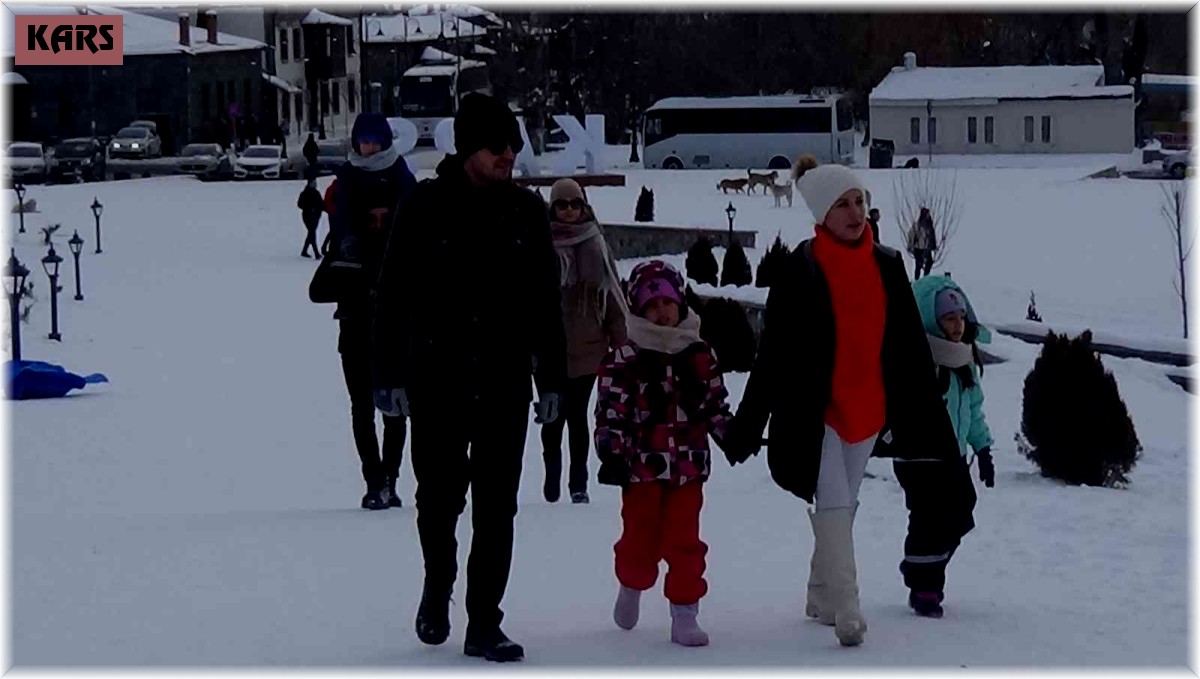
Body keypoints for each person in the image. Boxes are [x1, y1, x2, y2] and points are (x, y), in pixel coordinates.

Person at [725, 164, 962, 647]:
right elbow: (773, 353)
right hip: (817, 411)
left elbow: (908, 348)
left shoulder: (888, 263)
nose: (856, 213)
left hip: (870, 408)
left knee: (843, 503)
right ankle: (848, 605)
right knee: (833, 499)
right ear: (821, 213)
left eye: (859, 201)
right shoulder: (801, 267)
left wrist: (929, 415)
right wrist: (748, 424)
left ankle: (819, 593)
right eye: (842, 204)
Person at [371, 92, 566, 663]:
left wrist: (551, 378)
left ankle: (484, 621)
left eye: (514, 144)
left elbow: (543, 303)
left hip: (504, 381)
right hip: (438, 378)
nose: (509, 153)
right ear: (467, 149)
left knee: (497, 507)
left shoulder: (526, 212)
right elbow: (394, 295)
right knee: (438, 501)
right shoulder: (424, 207)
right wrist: (388, 375)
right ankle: (438, 587)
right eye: (496, 145)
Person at [594, 260, 734, 648]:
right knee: (640, 537)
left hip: (688, 468)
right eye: (651, 305)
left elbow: (715, 404)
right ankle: (632, 583)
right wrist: (611, 447)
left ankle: (685, 610)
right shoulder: (626, 357)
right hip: (641, 468)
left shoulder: (700, 353)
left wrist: (732, 434)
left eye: (667, 302)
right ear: (638, 310)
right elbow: (610, 409)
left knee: (684, 538)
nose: (661, 311)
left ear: (680, 302)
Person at [329, 112, 416, 510]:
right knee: (362, 404)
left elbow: (416, 218)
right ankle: (373, 476)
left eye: (373, 140)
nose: (367, 148)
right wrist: (347, 243)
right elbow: (341, 215)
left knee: (395, 402)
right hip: (355, 314)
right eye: (362, 141)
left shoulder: (399, 173)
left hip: (396, 314)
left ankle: (392, 476)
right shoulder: (348, 176)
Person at [894, 275, 991, 618]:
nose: (957, 325)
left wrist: (983, 448)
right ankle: (926, 588)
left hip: (953, 455)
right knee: (929, 518)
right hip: (920, 454)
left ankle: (919, 569)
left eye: (960, 318)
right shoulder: (920, 358)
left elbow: (974, 408)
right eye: (949, 318)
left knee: (962, 511)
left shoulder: (964, 361)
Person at [542, 178, 627, 505]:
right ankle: (552, 473)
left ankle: (578, 480)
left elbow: (613, 297)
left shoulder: (596, 243)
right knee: (552, 417)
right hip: (551, 349)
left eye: (574, 204)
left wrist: (621, 342)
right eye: (561, 205)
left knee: (577, 416)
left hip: (589, 346)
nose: (568, 211)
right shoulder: (542, 243)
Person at [297, 177, 325, 259]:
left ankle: (304, 251)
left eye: (316, 183)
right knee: (312, 232)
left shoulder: (317, 193)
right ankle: (316, 253)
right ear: (309, 184)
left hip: (316, 215)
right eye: (314, 183)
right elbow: (300, 204)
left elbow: (321, 203)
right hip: (307, 215)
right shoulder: (304, 193)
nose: (315, 184)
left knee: (311, 233)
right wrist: (309, 208)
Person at [909, 207, 937, 279]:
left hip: (927, 248)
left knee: (929, 262)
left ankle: (925, 278)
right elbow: (911, 235)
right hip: (918, 247)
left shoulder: (929, 226)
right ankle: (917, 280)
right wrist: (911, 245)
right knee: (918, 265)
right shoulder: (917, 225)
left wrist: (933, 246)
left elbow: (932, 236)